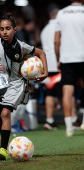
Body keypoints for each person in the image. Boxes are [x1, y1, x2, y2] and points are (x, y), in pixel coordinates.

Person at [0, 12, 48, 160]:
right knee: (0, 115)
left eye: (8, 28)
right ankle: (4, 141)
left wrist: (44, 72)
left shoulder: (22, 46)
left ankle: (3, 149)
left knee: (6, 113)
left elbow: (42, 53)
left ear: (15, 29)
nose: (4, 32)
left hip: (16, 83)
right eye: (1, 29)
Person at [54, 0, 84, 137]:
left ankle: (69, 128)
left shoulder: (61, 13)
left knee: (67, 91)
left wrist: (58, 58)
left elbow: (56, 40)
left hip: (67, 58)